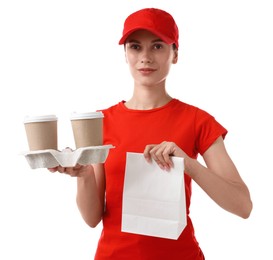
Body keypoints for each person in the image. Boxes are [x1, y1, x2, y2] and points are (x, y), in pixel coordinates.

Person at [49, 7, 252, 259]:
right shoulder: (99, 122)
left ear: (175, 53)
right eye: (135, 47)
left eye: (157, 46)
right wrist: (84, 175)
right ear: (125, 54)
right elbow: (92, 219)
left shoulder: (198, 121)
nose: (145, 57)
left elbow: (243, 206)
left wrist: (189, 165)